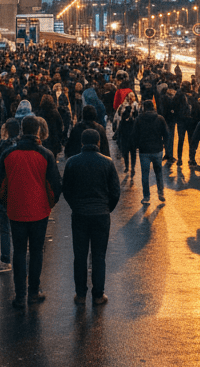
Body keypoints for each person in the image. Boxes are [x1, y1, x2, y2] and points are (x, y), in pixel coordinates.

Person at [0, 114, 62, 308]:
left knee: (19, 252)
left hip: (16, 210)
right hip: (39, 210)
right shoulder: (45, 154)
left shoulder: (8, 153)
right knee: (36, 251)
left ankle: (19, 294)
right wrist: (49, 203)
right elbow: (55, 185)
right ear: (38, 131)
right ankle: (33, 291)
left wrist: (7, 202)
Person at [61, 127, 120, 306]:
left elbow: (67, 189)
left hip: (80, 214)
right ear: (99, 143)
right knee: (98, 256)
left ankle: (80, 294)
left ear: (81, 142)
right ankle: (98, 294)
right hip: (101, 214)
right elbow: (115, 192)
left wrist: (75, 205)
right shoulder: (107, 163)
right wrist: (106, 208)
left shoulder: (72, 162)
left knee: (79, 255)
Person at [0, 118, 19, 275]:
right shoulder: (19, 148)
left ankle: (6, 260)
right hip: (17, 194)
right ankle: (16, 259)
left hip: (3, 195)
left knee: (4, 229)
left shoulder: (2, 148)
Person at [131, 99, 169, 204]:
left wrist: (136, 146)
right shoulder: (160, 118)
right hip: (157, 149)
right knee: (158, 172)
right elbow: (166, 133)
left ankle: (146, 196)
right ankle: (161, 192)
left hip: (144, 150)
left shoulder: (139, 119)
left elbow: (134, 135)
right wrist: (164, 145)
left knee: (145, 174)